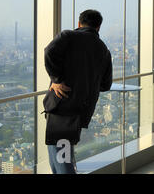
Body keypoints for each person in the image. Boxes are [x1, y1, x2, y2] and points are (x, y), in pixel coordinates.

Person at [43, 10, 113, 174]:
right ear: (98, 27)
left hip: (62, 107)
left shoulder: (68, 36)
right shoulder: (103, 50)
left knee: (61, 160)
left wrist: (57, 79)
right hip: (81, 110)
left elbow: (49, 52)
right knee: (64, 155)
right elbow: (105, 85)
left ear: (79, 23)